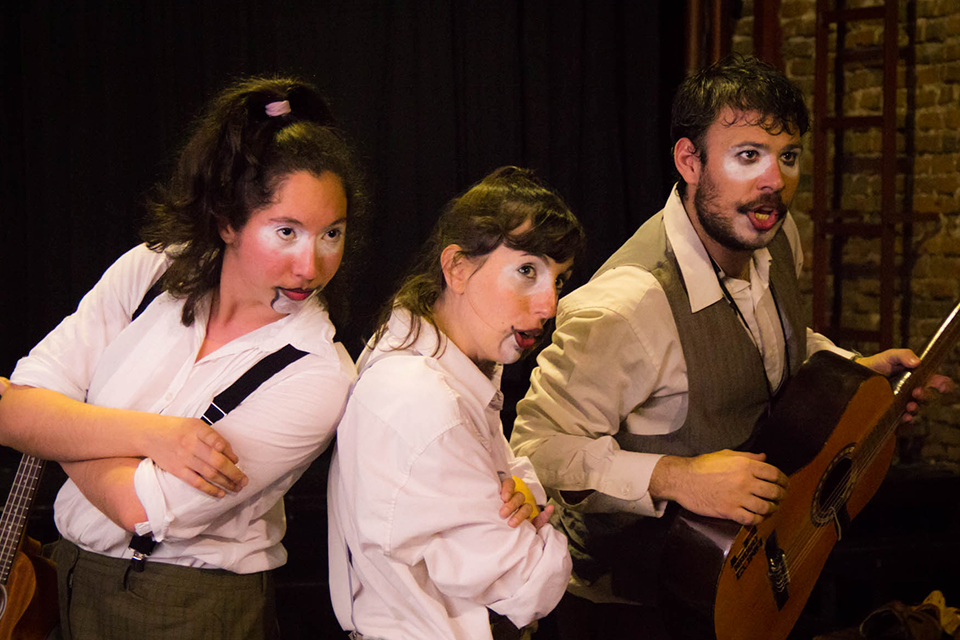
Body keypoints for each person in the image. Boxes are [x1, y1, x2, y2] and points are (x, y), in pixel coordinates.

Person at [509, 55, 955, 639]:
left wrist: (852, 372)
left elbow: (774, 341)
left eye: (788, 156)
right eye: (748, 156)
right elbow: (537, 450)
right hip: (635, 609)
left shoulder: (775, 234)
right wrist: (677, 476)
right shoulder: (626, 306)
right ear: (689, 161)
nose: (775, 180)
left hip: (753, 581)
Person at [0, 76, 365, 639]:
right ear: (227, 222)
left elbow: (140, 509)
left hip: (190, 605)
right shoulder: (152, 271)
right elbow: (11, 415)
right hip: (69, 577)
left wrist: (56, 424)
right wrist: (155, 436)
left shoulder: (318, 372)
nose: (311, 266)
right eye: (286, 231)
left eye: (331, 234)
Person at [327, 166, 585, 640]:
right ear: (457, 268)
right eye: (527, 270)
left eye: (559, 279)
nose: (549, 305)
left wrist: (527, 497)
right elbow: (532, 586)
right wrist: (542, 526)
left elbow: (520, 485)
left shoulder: (454, 368)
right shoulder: (422, 400)